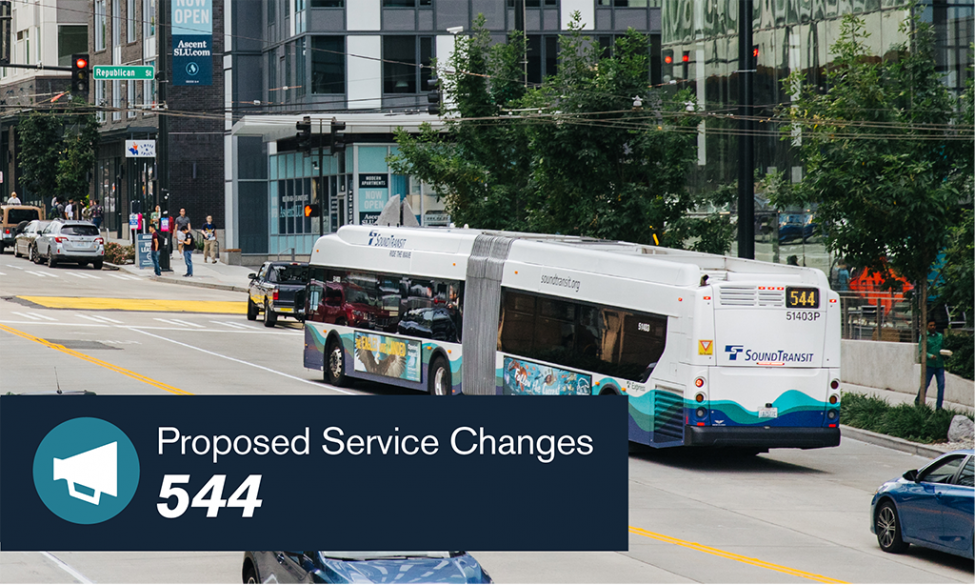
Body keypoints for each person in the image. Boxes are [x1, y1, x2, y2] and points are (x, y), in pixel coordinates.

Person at [917, 320, 946, 410]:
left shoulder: (940, 336)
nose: (933, 327)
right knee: (925, 384)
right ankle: (918, 401)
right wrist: (929, 356)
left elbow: (943, 347)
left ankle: (939, 407)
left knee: (941, 385)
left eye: (934, 325)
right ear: (927, 326)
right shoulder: (924, 337)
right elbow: (921, 351)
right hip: (929, 365)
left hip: (939, 365)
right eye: (931, 325)